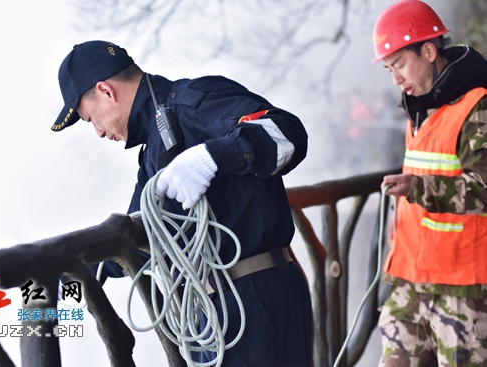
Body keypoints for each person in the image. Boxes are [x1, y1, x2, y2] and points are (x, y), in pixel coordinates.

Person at [52, 40, 313, 366]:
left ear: (106, 91)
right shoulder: (152, 153)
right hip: (212, 311)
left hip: (255, 298)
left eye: (90, 119)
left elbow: (286, 133)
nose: (99, 133)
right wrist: (64, 273)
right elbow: (137, 236)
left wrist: (213, 157)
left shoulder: (195, 104)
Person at [371, 1, 487, 366]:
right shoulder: (419, 105)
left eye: (400, 64)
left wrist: (417, 187)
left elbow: (483, 189)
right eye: (390, 69)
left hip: (461, 286)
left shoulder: (477, 104)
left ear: (429, 50)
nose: (396, 79)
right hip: (409, 276)